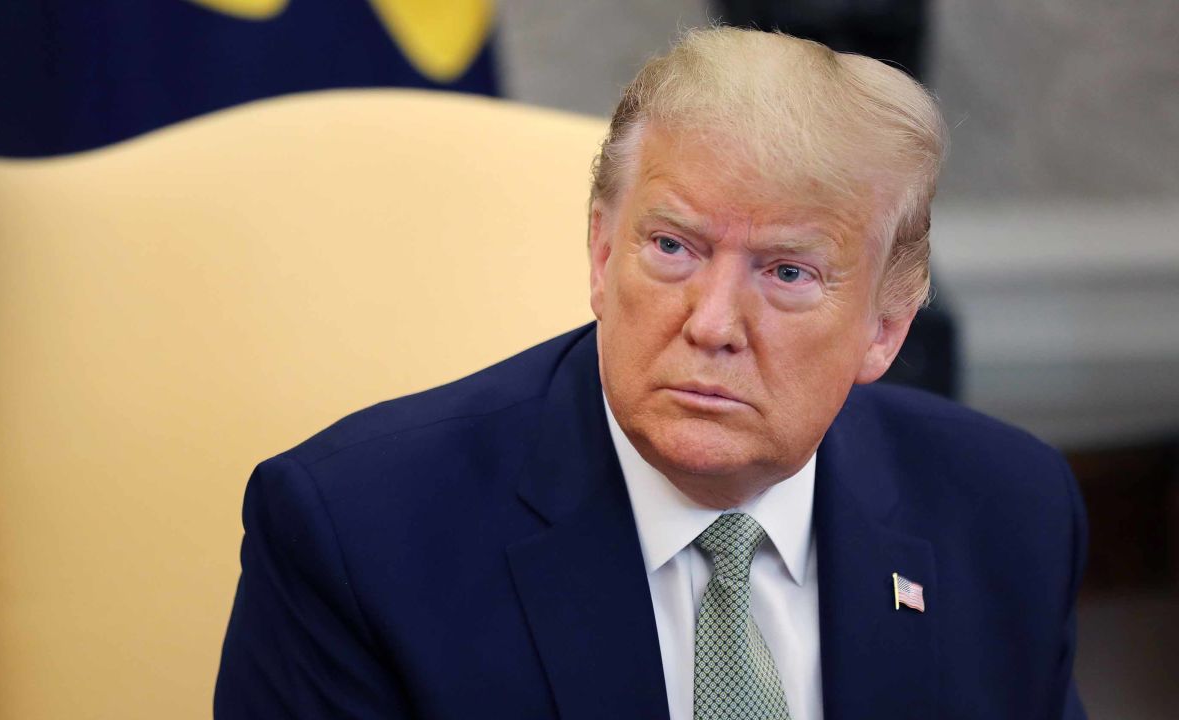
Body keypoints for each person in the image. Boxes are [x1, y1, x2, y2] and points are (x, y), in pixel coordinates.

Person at [215, 27, 1087, 720]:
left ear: (887, 327)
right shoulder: (357, 538)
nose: (710, 325)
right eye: (672, 247)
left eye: (787, 273)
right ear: (601, 254)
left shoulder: (1009, 514)